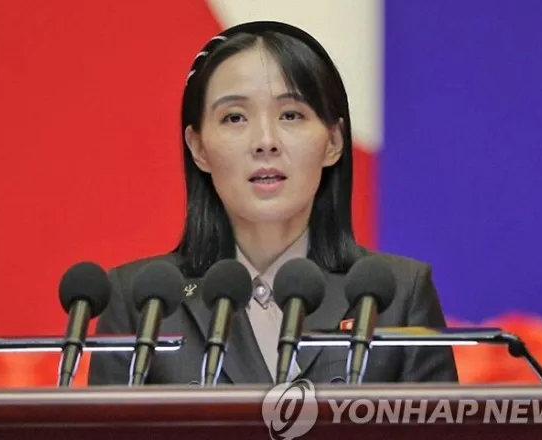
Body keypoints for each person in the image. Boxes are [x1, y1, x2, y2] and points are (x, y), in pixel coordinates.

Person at [88, 21, 458, 385]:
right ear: (198, 147)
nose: (265, 141)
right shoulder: (141, 302)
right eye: (235, 117)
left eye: (291, 115)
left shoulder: (400, 295)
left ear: (333, 142)